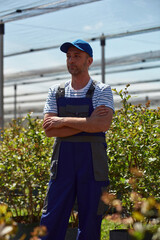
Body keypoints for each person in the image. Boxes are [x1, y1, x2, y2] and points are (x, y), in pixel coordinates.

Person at [40, 39, 114, 240]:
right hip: (62, 164)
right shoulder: (56, 91)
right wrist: (87, 123)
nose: (71, 60)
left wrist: (63, 121)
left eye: (77, 56)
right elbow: (49, 130)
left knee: (90, 221)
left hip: (93, 165)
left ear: (89, 61)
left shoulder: (102, 90)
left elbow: (101, 125)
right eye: (68, 56)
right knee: (51, 219)